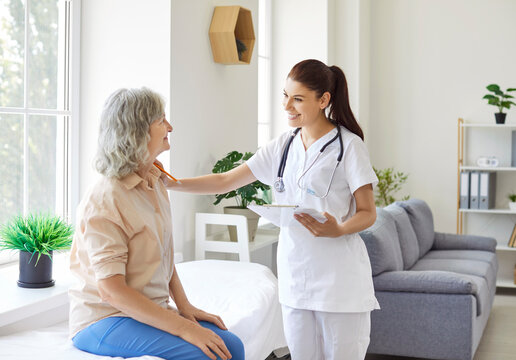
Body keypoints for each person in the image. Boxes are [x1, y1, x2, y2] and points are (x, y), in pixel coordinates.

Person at [165, 59, 380, 359]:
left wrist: (340, 228)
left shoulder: (349, 146)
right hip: (295, 278)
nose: (287, 105)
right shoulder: (283, 145)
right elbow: (226, 180)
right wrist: (172, 183)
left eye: (297, 99)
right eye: (285, 95)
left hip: (338, 283)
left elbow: (368, 212)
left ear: (324, 100)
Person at [68, 87, 244, 360]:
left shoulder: (153, 180)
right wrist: (183, 329)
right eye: (161, 120)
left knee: (232, 346)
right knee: (209, 355)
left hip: (146, 310)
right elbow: (111, 292)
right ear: (137, 131)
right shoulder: (105, 200)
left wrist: (185, 306)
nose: (170, 126)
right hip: (104, 319)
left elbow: (162, 255)